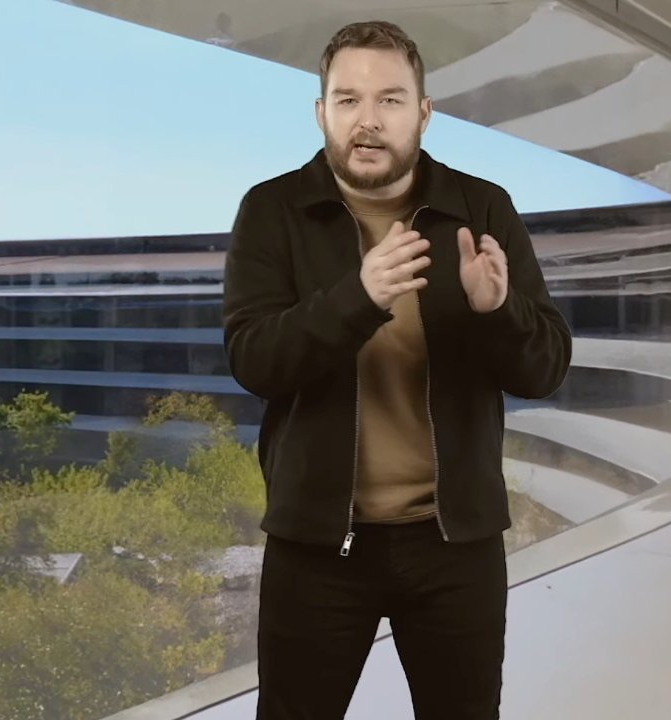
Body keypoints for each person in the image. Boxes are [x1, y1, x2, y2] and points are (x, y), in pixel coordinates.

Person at [222, 19, 572, 720]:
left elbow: (546, 369)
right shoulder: (273, 211)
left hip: (456, 545)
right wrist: (360, 298)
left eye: (389, 100)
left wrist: (496, 310)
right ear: (323, 113)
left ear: (424, 113)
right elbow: (254, 360)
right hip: (317, 545)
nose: (368, 121)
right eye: (347, 100)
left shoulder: (482, 208)